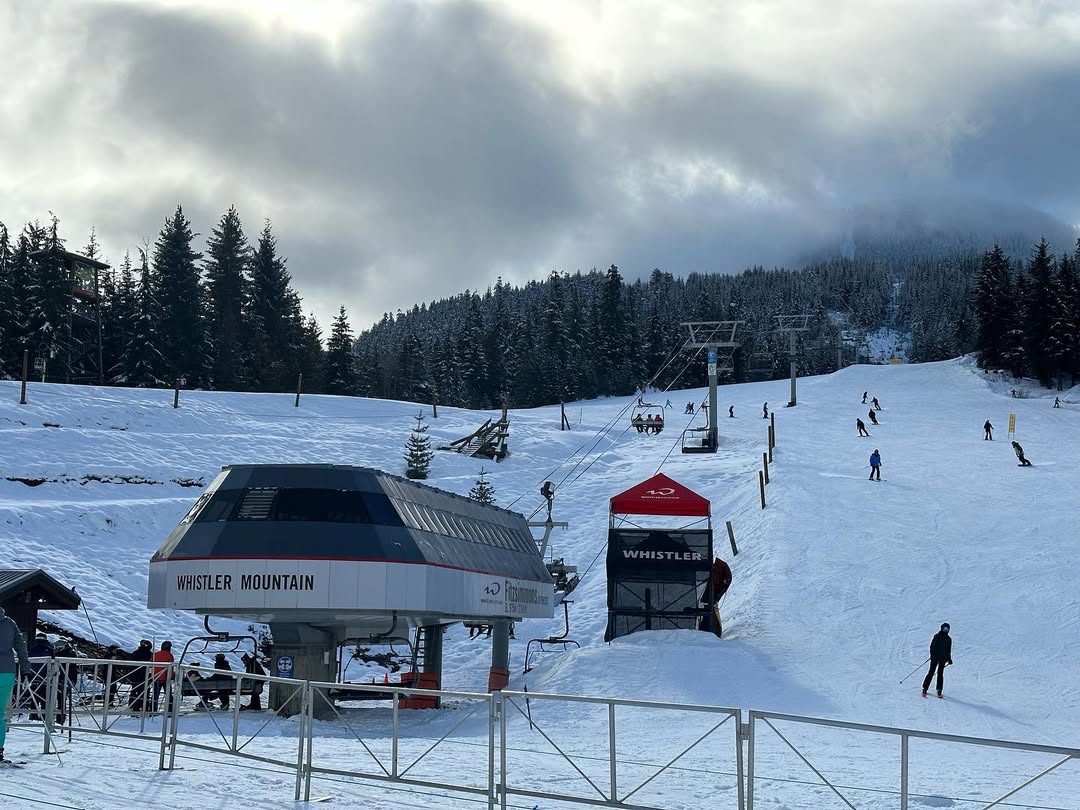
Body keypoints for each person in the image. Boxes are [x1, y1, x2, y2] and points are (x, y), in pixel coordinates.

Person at [0, 606, 32, 763]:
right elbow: (21, 647)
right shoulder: (10, 623)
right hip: (7, 672)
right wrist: (26, 669)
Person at [26, 633, 54, 721]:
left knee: (34, 694)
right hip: (45, 676)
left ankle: (33, 714)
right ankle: (45, 715)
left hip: (33, 675)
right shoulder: (49, 650)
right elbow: (53, 662)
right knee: (45, 696)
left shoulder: (30, 649)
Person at [921, 622, 953, 698]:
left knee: (940, 674)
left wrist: (949, 659)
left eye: (947, 629)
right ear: (942, 628)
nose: (946, 630)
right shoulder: (937, 636)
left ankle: (939, 690)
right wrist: (932, 656)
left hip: (943, 659)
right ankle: (925, 688)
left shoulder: (949, 639)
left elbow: (948, 650)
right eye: (944, 628)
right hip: (935, 658)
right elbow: (932, 647)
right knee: (931, 672)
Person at [128, 639, 153, 712]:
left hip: (135, 675)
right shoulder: (149, 654)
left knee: (134, 689)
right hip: (144, 675)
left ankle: (132, 704)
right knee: (144, 691)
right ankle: (144, 705)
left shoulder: (135, 653)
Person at [151, 641, 174, 713]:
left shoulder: (155, 654)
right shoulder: (169, 655)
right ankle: (170, 710)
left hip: (156, 677)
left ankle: (153, 710)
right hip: (165, 678)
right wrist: (172, 676)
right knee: (168, 695)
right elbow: (171, 668)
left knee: (155, 695)